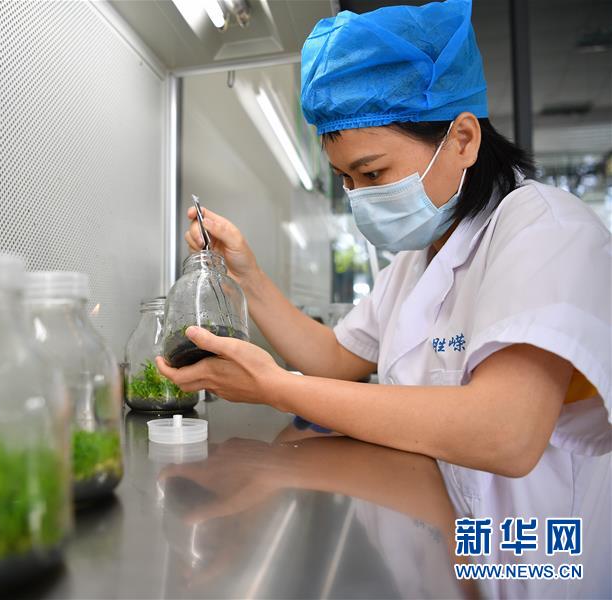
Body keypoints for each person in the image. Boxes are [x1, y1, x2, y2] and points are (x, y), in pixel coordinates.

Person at [156, 1, 610, 596]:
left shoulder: (547, 229)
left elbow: (507, 432)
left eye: (372, 174)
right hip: (448, 558)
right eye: (346, 180)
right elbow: (335, 358)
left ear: (463, 139)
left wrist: (275, 387)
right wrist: (249, 276)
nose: (360, 197)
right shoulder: (416, 261)